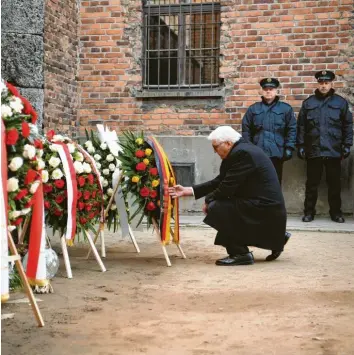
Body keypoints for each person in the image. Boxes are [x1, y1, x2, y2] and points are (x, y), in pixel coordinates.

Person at [169, 126, 290, 265]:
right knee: (222, 206)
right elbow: (220, 181)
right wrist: (188, 190)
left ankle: (240, 253)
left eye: (216, 147)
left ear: (227, 143)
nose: (215, 151)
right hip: (262, 205)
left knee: (217, 208)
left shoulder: (243, 153)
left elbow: (227, 187)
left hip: (265, 208)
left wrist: (209, 201)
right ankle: (275, 236)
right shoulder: (240, 150)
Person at [296, 70, 353, 223]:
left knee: (334, 184)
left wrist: (347, 145)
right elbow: (301, 126)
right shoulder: (309, 103)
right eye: (321, 83)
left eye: (326, 83)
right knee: (312, 185)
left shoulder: (340, 103)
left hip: (334, 150)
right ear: (318, 83)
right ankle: (309, 212)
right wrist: (301, 145)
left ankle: (336, 213)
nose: (323, 86)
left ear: (331, 84)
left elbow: (348, 126)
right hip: (313, 150)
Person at [242, 78, 297, 183]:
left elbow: (292, 129)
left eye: (271, 89)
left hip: (277, 152)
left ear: (276, 91)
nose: (268, 91)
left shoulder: (285, 109)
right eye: (265, 89)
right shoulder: (253, 109)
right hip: (258, 153)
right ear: (262, 91)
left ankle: (275, 200)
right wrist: (249, 149)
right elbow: (246, 130)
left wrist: (289, 147)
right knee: (257, 184)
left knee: (275, 183)